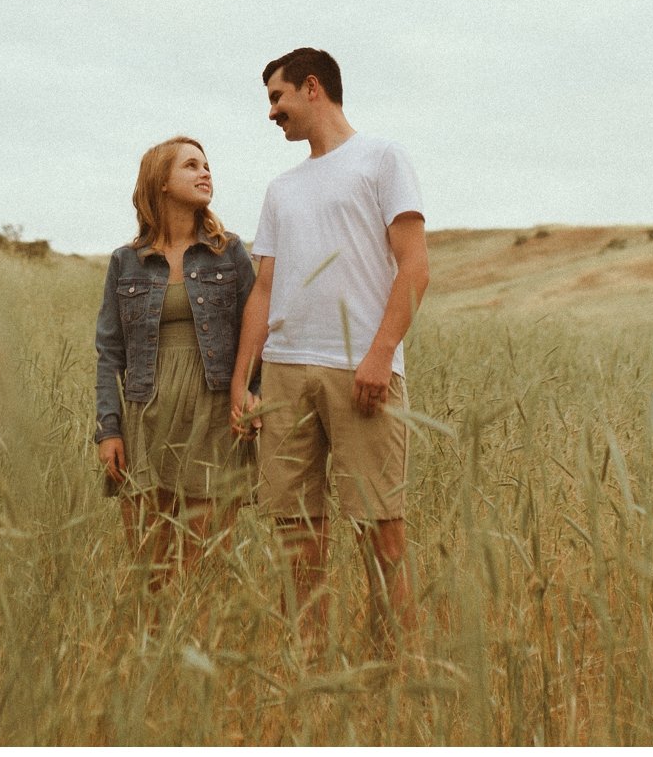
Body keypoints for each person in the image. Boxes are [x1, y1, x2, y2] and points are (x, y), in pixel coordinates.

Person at [230, 47, 430, 651]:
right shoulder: (280, 189)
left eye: (276, 97)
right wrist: (244, 382)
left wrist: (379, 354)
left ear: (311, 88)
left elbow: (415, 267)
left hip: (360, 370)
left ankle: (396, 663)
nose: (271, 113)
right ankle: (309, 665)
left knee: (380, 529)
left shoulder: (382, 158)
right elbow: (263, 289)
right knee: (297, 532)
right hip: (286, 375)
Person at [92, 136, 258, 588]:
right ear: (161, 182)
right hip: (148, 417)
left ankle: (202, 653)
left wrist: (253, 396)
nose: (206, 173)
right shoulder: (126, 263)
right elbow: (109, 353)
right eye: (191, 166)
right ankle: (152, 656)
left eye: (207, 165)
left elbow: (257, 333)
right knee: (150, 566)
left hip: (215, 415)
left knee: (204, 566)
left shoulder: (231, 253)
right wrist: (108, 429)